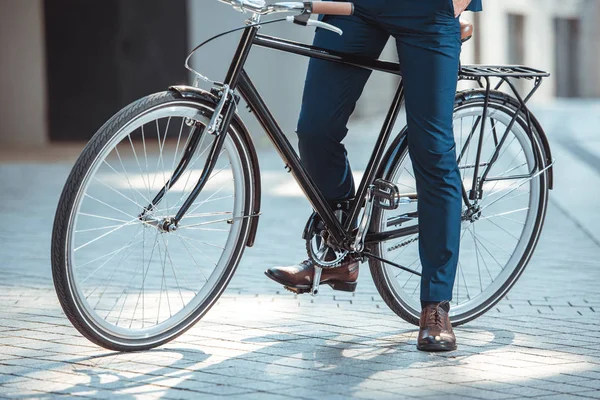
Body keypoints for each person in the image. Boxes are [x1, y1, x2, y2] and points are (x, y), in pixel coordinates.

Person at [265, 0, 483, 352]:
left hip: (430, 10)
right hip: (357, 5)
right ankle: (341, 253)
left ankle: (436, 305)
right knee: (314, 130)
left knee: (431, 150)